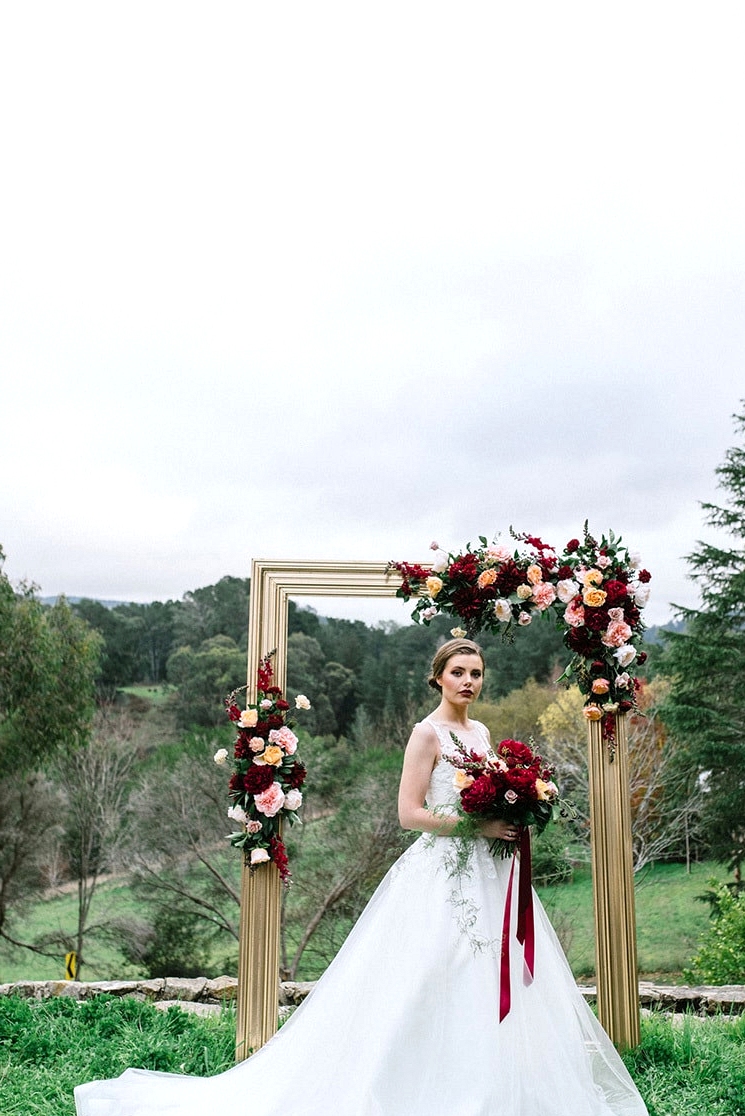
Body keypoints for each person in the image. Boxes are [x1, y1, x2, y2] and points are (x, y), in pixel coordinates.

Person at [75, 637, 648, 1116]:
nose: (468, 681)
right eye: (458, 672)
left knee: (490, 973)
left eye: (476, 673)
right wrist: (476, 827)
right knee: (429, 975)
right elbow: (409, 814)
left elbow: (489, 794)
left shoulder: (481, 733)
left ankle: (494, 1088)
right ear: (438, 678)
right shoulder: (427, 734)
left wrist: (514, 810)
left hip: (491, 872)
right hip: (444, 871)